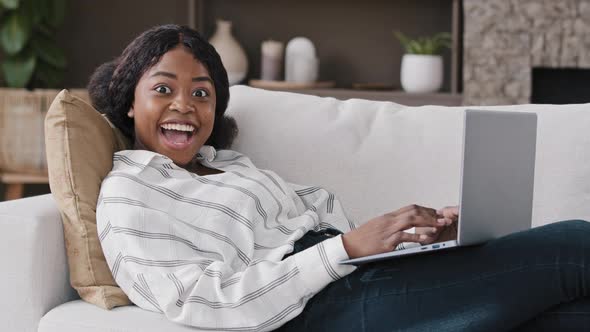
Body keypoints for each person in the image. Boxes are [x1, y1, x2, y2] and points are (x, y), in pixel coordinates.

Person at [90, 24, 590, 332]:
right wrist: (347, 248)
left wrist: (419, 241)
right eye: (163, 89)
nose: (185, 106)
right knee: (574, 243)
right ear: (130, 102)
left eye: (202, 93)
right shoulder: (129, 192)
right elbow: (201, 300)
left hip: (359, 278)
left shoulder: (231, 166)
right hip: (315, 311)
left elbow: (335, 237)